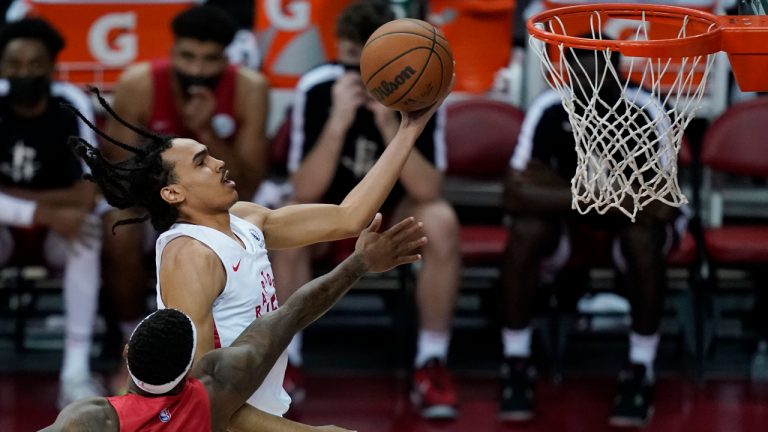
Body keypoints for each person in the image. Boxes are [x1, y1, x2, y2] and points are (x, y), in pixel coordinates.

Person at [65, 71, 447, 427]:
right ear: (173, 193)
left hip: (258, 406)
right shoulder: (191, 256)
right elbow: (199, 396)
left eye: (210, 154)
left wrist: (408, 130)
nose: (218, 163)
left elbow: (349, 217)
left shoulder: (245, 218)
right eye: (201, 163)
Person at [41, 212, 426, 432]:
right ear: (192, 360)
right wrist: (359, 263)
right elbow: (294, 312)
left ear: (127, 353)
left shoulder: (93, 419)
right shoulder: (214, 392)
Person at [272, 1, 462, 419]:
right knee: (288, 218)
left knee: (442, 220)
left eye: (361, 67)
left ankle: (432, 362)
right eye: (345, 64)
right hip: (331, 213)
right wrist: (338, 122)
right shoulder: (318, 88)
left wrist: (390, 124)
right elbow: (305, 188)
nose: (354, 78)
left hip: (393, 214)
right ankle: (285, 362)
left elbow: (428, 189)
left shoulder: (424, 87)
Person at [499, 47, 686, 427]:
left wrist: (558, 189)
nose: (589, 83)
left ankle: (641, 366)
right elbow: (515, 193)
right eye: (579, 74)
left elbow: (663, 205)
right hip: (573, 230)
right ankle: (516, 361)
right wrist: (617, 196)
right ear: (565, 72)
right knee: (525, 229)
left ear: (615, 70)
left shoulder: (647, 106)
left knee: (643, 236)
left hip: (627, 233)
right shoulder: (549, 107)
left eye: (598, 72)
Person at [100, 5, 271, 357]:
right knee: (118, 228)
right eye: (188, 56)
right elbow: (117, 174)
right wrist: (169, 202)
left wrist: (206, 129)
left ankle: (243, 344)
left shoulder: (250, 89)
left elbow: (250, 183)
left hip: (219, 206)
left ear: (227, 58)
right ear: (173, 50)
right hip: (151, 204)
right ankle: (131, 338)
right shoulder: (140, 84)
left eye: (210, 59)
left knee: (262, 222)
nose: (197, 69)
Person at [0, 17, 104, 407]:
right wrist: (41, 210)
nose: (23, 72)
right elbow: (67, 198)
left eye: (34, 64)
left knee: (88, 231)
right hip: (11, 231)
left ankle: (74, 372)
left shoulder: (70, 103)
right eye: (14, 64)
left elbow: (88, 193)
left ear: (51, 66)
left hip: (56, 233)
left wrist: (13, 198)